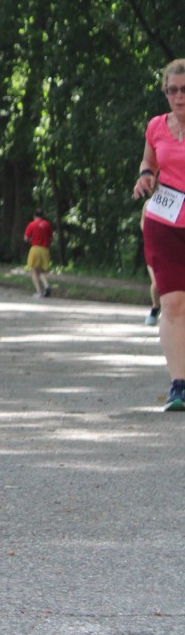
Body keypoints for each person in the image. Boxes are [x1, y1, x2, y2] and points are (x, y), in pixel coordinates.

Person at [133, 58, 185, 410]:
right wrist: (145, 177)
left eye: (184, 90)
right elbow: (149, 162)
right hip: (164, 222)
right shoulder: (156, 126)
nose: (179, 97)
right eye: (172, 90)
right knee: (172, 303)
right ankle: (178, 386)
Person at [23, 209, 54, 298]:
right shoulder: (47, 224)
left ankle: (39, 291)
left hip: (35, 248)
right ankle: (46, 285)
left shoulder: (32, 224)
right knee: (41, 271)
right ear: (42, 216)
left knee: (34, 271)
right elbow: (51, 238)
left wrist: (32, 240)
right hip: (45, 249)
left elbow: (26, 238)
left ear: (34, 216)